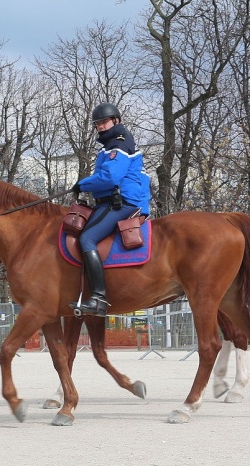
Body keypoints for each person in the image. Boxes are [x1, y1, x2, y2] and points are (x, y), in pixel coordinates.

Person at [70, 102, 151, 317]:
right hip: (118, 201)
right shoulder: (112, 146)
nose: (100, 127)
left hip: (121, 203)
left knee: (87, 239)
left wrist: (82, 185)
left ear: (116, 120)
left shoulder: (119, 143)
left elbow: (111, 177)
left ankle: (98, 297)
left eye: (104, 122)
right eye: (97, 124)